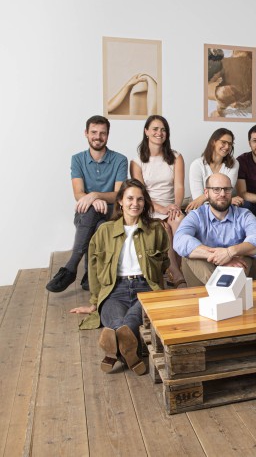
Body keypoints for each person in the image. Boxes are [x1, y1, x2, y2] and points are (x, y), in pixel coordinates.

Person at [70, 179, 169, 376]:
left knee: (132, 317)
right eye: (130, 198)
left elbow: (164, 262)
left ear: (145, 203)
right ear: (120, 201)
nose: (135, 203)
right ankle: (128, 352)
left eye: (140, 199)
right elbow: (95, 269)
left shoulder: (156, 229)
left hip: (146, 288)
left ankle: (113, 351)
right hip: (114, 290)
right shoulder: (104, 231)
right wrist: (94, 302)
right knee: (114, 317)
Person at [46, 115, 128, 293]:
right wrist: (93, 200)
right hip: (86, 213)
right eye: (94, 132)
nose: (98, 137)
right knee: (97, 223)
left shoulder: (120, 160)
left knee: (98, 219)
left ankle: (71, 267)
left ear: (108, 135)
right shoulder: (77, 159)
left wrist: (95, 195)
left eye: (102, 133)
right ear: (86, 133)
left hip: (111, 213)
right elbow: (78, 193)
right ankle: (89, 277)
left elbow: (118, 195)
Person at [174, 173, 256, 286]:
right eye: (216, 189)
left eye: (227, 189)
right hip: (203, 274)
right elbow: (179, 240)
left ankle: (223, 289)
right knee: (190, 254)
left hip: (237, 270)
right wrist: (218, 257)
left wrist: (230, 252)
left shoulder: (244, 214)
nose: (222, 194)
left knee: (247, 252)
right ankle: (222, 289)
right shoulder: (196, 215)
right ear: (206, 192)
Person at [130, 115, 186, 288]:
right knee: (164, 229)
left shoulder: (176, 157)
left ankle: (184, 268)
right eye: (155, 129)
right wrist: (161, 208)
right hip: (149, 207)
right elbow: (141, 194)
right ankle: (175, 273)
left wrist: (175, 206)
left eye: (163, 130)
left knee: (179, 222)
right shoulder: (137, 161)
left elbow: (179, 186)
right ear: (146, 131)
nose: (159, 133)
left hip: (171, 204)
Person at [186, 128, 243, 211]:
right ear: (213, 142)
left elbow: (226, 192)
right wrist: (229, 201)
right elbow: (197, 200)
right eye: (223, 142)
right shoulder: (197, 165)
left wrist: (203, 198)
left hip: (225, 207)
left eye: (230, 144)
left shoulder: (234, 163)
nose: (227, 147)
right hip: (203, 208)